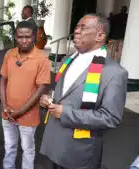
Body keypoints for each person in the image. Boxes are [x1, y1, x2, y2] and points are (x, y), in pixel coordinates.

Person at [39, 14, 128, 169]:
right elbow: (63, 93)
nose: (77, 31)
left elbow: (110, 117)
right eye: (76, 27)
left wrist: (65, 113)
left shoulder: (114, 73)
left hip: (79, 153)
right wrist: (48, 98)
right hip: (55, 145)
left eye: (83, 27)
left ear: (100, 36)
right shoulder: (68, 60)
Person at [0, 21, 50, 169]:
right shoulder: (9, 54)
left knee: (27, 149)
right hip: (7, 113)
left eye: (28, 37)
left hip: (27, 116)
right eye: (20, 37)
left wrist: (20, 112)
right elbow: (3, 80)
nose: (24, 40)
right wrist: (5, 106)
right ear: (15, 37)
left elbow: (41, 88)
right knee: (9, 146)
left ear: (34, 37)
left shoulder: (41, 58)